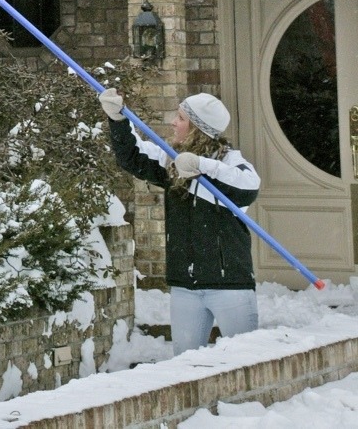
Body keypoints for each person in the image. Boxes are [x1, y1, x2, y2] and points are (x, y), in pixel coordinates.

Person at [99, 87, 261, 356]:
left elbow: (247, 188)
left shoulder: (231, 162)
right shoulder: (170, 161)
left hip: (230, 284)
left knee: (247, 360)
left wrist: (202, 167)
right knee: (186, 365)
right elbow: (133, 156)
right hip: (186, 285)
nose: (173, 123)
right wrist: (118, 120)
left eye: (181, 118)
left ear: (198, 128)